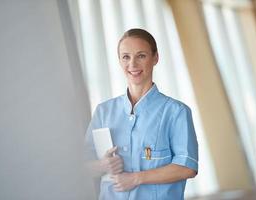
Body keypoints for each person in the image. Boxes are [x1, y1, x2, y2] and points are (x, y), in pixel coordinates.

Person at [84, 28, 198, 200]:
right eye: (126, 57)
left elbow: (187, 167)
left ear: (155, 58)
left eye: (141, 56)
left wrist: (136, 178)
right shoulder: (103, 111)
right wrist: (102, 165)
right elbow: (78, 166)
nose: (133, 64)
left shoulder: (176, 112)